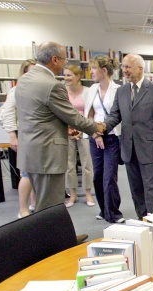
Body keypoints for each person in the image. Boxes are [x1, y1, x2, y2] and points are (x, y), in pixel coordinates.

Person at [15, 41, 105, 212]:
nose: (65, 65)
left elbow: (39, 114)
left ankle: (60, 237)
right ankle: (52, 239)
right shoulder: (52, 85)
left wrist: (63, 127)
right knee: (50, 206)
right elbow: (73, 117)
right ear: (54, 59)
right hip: (47, 154)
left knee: (40, 202)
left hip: (30, 151)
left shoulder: (24, 79)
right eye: (64, 60)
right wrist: (97, 128)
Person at [104, 54, 153, 219]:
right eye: (123, 67)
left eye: (128, 67)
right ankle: (142, 218)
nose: (124, 71)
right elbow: (114, 116)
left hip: (149, 148)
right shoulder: (121, 91)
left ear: (140, 69)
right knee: (136, 188)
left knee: (150, 188)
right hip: (128, 148)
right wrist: (102, 127)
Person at [84, 55, 124, 223]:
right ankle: (103, 208)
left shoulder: (119, 89)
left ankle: (113, 213)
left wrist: (103, 132)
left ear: (104, 70)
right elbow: (89, 113)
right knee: (97, 176)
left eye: (93, 68)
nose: (91, 72)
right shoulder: (92, 89)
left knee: (109, 177)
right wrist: (95, 134)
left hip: (112, 137)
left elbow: (119, 115)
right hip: (94, 137)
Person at [0, 59, 37, 218]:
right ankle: (23, 209)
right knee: (27, 173)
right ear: (23, 73)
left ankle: (35, 205)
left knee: (38, 174)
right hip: (25, 137)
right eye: (30, 72)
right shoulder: (16, 91)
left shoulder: (39, 89)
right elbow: (7, 113)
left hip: (39, 137)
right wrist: (12, 136)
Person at [63, 64, 95, 208]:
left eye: (69, 75)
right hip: (66, 131)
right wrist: (69, 128)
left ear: (78, 76)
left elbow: (91, 113)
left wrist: (83, 129)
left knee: (87, 164)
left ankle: (88, 193)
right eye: (65, 75)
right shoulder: (62, 91)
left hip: (85, 131)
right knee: (69, 165)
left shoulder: (88, 92)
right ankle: (72, 195)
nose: (66, 78)